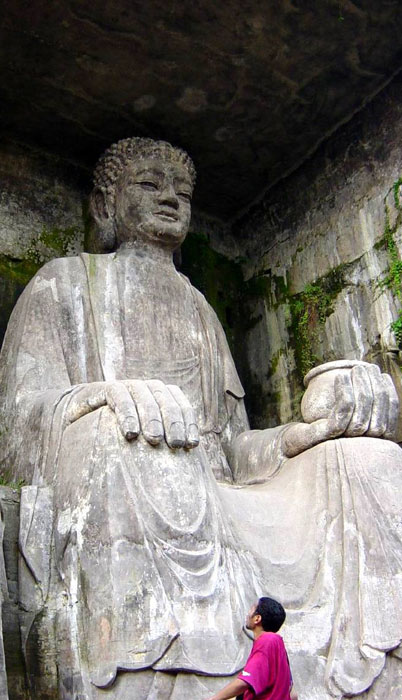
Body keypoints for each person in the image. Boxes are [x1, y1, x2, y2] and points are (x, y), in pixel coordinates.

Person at [1, 137, 402, 699]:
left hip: (219, 492)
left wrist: (306, 434)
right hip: (141, 474)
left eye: (182, 191)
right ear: (104, 206)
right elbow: (21, 417)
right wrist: (108, 396)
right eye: (149, 184)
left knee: (367, 457)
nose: (170, 198)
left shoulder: (199, 310)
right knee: (129, 438)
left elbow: (233, 449)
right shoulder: (64, 284)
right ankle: (171, 662)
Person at [205, 597, 297, 700]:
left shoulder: (267, 641)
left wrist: (213, 699)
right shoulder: (278, 646)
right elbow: (293, 695)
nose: (248, 614)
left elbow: (246, 681)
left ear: (257, 618)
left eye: (251, 609)